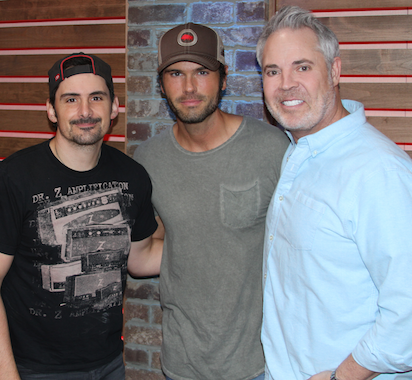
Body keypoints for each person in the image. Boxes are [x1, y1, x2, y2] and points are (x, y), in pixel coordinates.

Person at [0, 52, 162, 380]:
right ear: (51, 110)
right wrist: (6, 376)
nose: (85, 111)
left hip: (109, 363)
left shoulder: (133, 176)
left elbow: (140, 258)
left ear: (114, 107)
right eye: (71, 99)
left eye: (96, 98)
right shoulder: (13, 178)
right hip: (34, 369)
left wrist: (209, 236)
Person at [257, 6, 412, 380]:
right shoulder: (299, 151)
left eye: (303, 67)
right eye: (272, 71)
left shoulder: (379, 171)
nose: (286, 84)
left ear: (336, 70)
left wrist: (343, 376)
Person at [133, 23, 289, 380]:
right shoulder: (148, 160)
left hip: (259, 365)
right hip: (181, 364)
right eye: (176, 73)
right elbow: (151, 249)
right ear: (161, 84)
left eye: (202, 72)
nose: (188, 87)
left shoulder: (272, 150)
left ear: (223, 78)